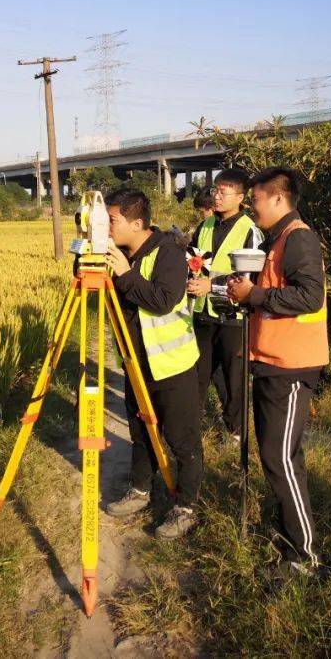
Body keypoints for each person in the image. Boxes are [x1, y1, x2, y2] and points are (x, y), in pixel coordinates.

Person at [226, 167, 329, 581]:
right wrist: (247, 296)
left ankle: (305, 557)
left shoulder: (298, 237)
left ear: (278, 199)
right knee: (283, 455)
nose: (253, 207)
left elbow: (310, 294)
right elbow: (274, 294)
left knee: (278, 456)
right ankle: (291, 536)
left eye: (256, 200)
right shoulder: (275, 241)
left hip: (290, 366)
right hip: (272, 361)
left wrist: (256, 295)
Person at [101, 188, 204, 540]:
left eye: (111, 221)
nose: (107, 227)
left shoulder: (169, 254)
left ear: (137, 223)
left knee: (181, 439)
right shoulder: (115, 253)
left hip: (171, 365)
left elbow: (162, 301)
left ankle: (186, 506)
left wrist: (127, 274)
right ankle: (140, 490)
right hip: (136, 362)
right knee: (141, 431)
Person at [186, 169, 263, 442]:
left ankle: (235, 432)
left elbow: (250, 278)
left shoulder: (249, 230)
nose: (216, 197)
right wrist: (191, 280)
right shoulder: (205, 226)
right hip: (202, 314)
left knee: (234, 380)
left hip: (233, 317)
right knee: (196, 376)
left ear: (240, 197)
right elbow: (193, 259)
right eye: (215, 191)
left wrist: (212, 285)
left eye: (223, 193)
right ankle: (189, 431)